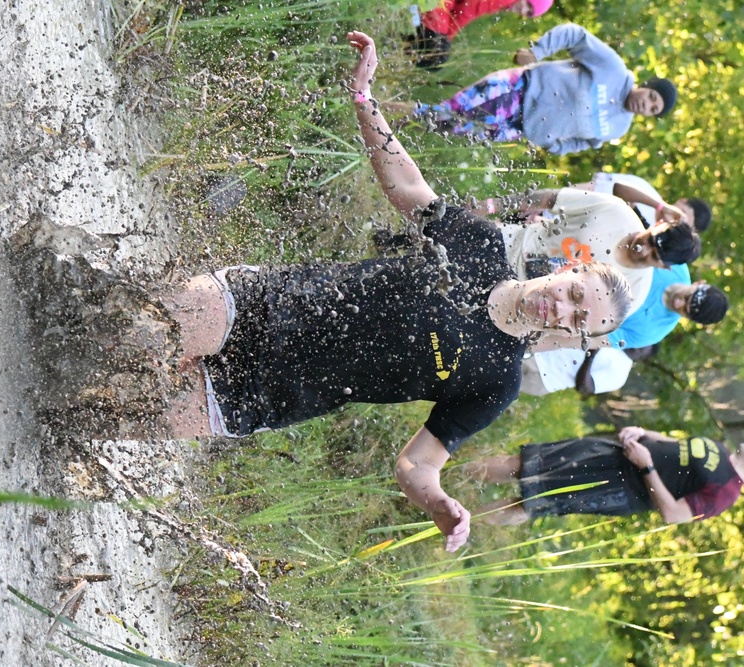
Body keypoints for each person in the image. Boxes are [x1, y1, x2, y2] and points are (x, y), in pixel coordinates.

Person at [158, 31, 633, 553]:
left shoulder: (496, 382)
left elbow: (417, 464)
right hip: (265, 303)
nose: (562, 307)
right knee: (128, 330)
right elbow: (407, 188)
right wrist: (366, 101)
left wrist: (436, 503)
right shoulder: (481, 244)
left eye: (577, 318)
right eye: (573, 293)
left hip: (272, 392)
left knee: (111, 408)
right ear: (569, 268)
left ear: (571, 334)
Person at [405, 23, 678, 154]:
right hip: (520, 91)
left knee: (444, 127)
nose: (647, 105)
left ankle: (387, 128)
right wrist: (539, 52)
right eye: (652, 97)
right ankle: (378, 110)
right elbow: (576, 35)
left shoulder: (620, 127)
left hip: (520, 128)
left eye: (653, 110)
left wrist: (551, 144)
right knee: (443, 113)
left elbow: (585, 143)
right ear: (646, 85)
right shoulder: (614, 69)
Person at [467, 426, 744, 525]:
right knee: (525, 464)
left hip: (617, 487)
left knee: (532, 502)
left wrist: (646, 467)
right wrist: (643, 433)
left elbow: (673, 514)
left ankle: (459, 521)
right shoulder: (721, 448)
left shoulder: (727, 492)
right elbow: (673, 444)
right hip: (614, 452)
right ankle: (446, 474)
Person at [483, 187, 700, 313]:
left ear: (664, 267)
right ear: (657, 225)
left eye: (653, 256)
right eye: (650, 241)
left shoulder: (632, 292)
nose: (642, 251)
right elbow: (550, 198)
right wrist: (490, 206)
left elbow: (582, 327)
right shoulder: (615, 211)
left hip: (517, 298)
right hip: (506, 242)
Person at [597, 267, 728, 350]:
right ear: (699, 283)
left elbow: (594, 339)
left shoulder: (651, 332)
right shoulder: (673, 262)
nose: (678, 303)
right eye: (687, 297)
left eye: (684, 311)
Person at [403, 0, 555, 69]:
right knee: (437, 57)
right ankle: (399, 46)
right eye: (528, 4)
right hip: (438, 4)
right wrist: (448, 35)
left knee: (436, 51)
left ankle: (400, 43)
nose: (523, 11)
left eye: (529, 13)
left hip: (444, 6)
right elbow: (468, 9)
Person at [574, 172, 712, 231]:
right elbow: (597, 186)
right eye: (681, 213)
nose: (675, 220)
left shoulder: (651, 238)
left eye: (682, 224)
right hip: (572, 206)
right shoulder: (644, 190)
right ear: (682, 201)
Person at [518, 345, 656, 396]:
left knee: (497, 381)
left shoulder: (620, 373)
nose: (639, 348)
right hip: (536, 351)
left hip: (543, 378)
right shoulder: (617, 337)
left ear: (643, 357)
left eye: (643, 350)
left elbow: (585, 388)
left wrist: (590, 357)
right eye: (643, 344)